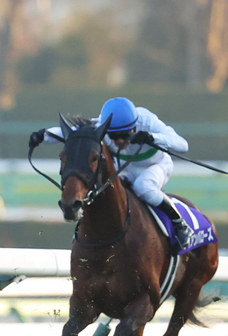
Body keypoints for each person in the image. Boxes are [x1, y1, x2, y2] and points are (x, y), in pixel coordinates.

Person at [29, 96, 192, 249]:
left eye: (125, 135)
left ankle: (179, 223)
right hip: (126, 169)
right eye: (113, 136)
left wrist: (153, 137)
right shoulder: (101, 124)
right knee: (104, 190)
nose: (119, 141)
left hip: (155, 165)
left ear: (135, 126)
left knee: (143, 187)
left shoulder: (147, 121)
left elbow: (182, 145)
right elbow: (73, 132)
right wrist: (43, 136)